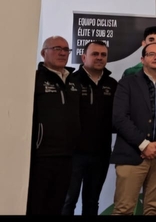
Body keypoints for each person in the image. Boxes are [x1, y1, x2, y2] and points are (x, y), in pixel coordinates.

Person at [110, 43, 156, 215]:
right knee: (123, 209)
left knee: (154, 209)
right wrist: (144, 144)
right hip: (132, 154)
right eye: (151, 54)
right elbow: (120, 118)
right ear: (142, 59)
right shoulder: (126, 84)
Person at [63, 41, 118, 216]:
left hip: (101, 153)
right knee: (68, 200)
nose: (99, 58)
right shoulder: (70, 81)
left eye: (103, 55)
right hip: (74, 153)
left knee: (92, 200)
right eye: (95, 54)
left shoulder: (112, 84)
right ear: (84, 57)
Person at [28, 36, 81, 216]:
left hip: (67, 156)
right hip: (41, 156)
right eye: (57, 48)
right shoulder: (33, 79)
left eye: (66, 50)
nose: (62, 53)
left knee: (57, 205)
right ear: (44, 53)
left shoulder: (73, 81)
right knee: (36, 205)